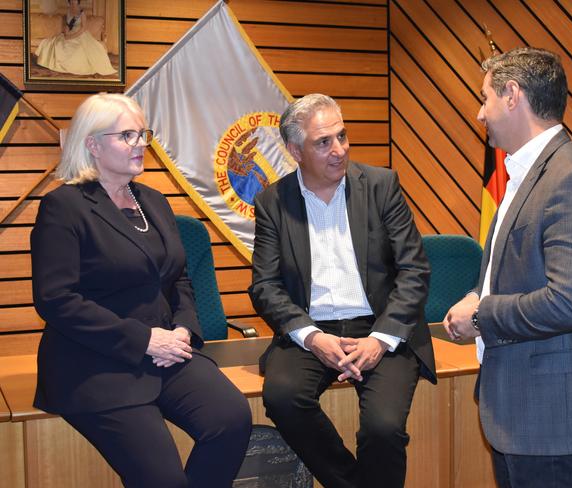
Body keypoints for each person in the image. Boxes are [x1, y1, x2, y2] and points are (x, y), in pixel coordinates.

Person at [31, 93, 252, 488]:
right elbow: (56, 300)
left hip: (168, 351)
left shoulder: (154, 201)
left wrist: (184, 328)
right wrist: (144, 340)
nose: (141, 144)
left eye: (143, 133)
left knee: (231, 419)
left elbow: (179, 279)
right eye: (127, 135)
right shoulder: (63, 207)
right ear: (93, 145)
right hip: (96, 364)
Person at [443, 47, 572, 487]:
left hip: (554, 421)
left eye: (485, 98)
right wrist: (480, 293)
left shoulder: (571, 179)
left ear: (513, 95)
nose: (480, 114)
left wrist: (481, 316)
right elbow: (516, 267)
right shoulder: (529, 174)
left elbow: (571, 302)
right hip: (523, 411)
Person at [249, 93, 436, 488]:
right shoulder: (272, 203)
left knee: (383, 429)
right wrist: (313, 337)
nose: (339, 150)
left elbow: (414, 269)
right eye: (324, 142)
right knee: (282, 398)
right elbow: (264, 285)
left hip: (381, 325)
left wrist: (380, 340)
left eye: (342, 136)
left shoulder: (381, 186)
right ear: (295, 150)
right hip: (313, 327)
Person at [35, 0, 117, 76]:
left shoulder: (82, 13)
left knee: (78, 49)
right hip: (70, 33)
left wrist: (72, 36)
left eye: (74, 1)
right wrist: (66, 33)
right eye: (71, 1)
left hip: (80, 35)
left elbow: (83, 28)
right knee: (57, 44)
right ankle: (57, 65)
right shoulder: (69, 11)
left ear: (78, 1)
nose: (73, 2)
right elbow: (67, 25)